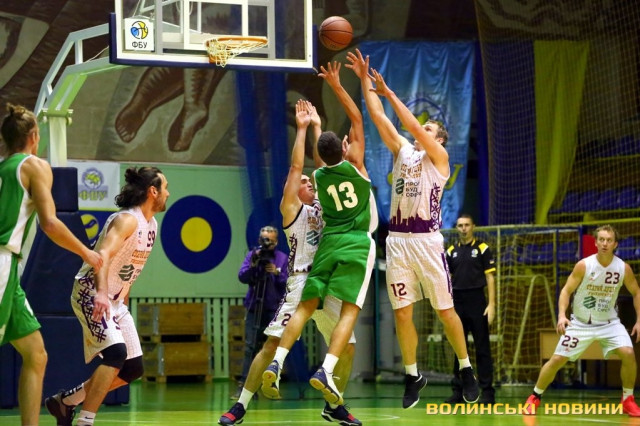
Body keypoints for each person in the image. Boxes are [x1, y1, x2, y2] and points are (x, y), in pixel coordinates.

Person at [347, 48, 480, 408]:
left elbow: (412, 126)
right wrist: (364, 80)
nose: (424, 128)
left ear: (439, 139)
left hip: (427, 241)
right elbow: (379, 118)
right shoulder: (403, 151)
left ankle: (466, 368)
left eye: (430, 128)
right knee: (402, 312)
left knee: (445, 311)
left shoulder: (440, 158)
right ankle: (412, 375)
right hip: (397, 242)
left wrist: (389, 92)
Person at [219, 98, 361, 426]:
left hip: (329, 282)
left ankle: (334, 404)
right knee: (272, 344)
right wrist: (301, 129)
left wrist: (318, 127)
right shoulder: (292, 210)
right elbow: (297, 168)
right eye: (304, 183)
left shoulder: (325, 206)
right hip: (301, 281)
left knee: (348, 346)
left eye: (312, 182)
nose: (309, 182)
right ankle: (240, 405)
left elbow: (325, 165)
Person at [262, 61, 377, 410]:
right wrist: (338, 85)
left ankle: (277, 361)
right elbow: (357, 118)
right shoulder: (356, 166)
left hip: (327, 245)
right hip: (356, 243)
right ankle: (327, 369)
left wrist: (314, 127)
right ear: (344, 150)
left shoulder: (320, 177)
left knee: (306, 305)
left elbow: (317, 155)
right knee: (350, 311)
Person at [0, 103, 103, 426]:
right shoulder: (35, 166)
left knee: (36, 354)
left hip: (9, 270)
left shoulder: (3, 168)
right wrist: (87, 252)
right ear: (34, 136)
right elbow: (50, 223)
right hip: (2, 261)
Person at [44, 166, 170, 426]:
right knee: (115, 354)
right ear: (153, 191)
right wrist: (102, 293)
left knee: (133, 368)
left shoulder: (152, 225)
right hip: (91, 291)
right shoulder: (127, 220)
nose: (168, 193)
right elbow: (103, 256)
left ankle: (66, 401)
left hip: (115, 300)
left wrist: (123, 301)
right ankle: (85, 421)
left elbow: (130, 267)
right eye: (165, 188)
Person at [524, 225, 640, 417]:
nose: (604, 243)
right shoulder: (584, 265)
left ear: (615, 244)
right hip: (580, 323)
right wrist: (562, 315)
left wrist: (638, 320)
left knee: (628, 353)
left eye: (609, 240)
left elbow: (636, 292)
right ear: (595, 243)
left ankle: (628, 399)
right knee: (557, 359)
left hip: (610, 323)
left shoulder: (623, 268)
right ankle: (535, 396)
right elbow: (566, 291)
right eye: (601, 239)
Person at [445, 214, 496, 404]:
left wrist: (492, 304)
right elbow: (447, 279)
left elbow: (490, 278)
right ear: (456, 228)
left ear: (473, 226)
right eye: (460, 225)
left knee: (483, 348)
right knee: (459, 348)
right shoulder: (451, 251)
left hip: (477, 302)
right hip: (457, 303)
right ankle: (458, 391)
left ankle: (487, 392)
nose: (463, 228)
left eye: (467, 225)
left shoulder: (482, 248)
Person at [232, 226, 288, 399]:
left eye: (269, 240)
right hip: (254, 307)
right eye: (263, 239)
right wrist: (253, 265)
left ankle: (271, 384)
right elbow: (242, 277)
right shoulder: (252, 255)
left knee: (274, 347)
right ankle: (245, 386)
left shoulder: (282, 258)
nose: (266, 243)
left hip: (273, 309)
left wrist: (277, 272)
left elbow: (289, 282)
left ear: (276, 242)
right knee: (250, 347)